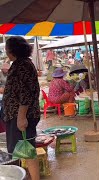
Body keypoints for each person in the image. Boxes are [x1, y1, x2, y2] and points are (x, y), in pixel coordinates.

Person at [3, 36, 40, 180]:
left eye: (7, 49)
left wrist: (21, 117)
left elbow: (25, 93)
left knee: (27, 150)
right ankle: (24, 176)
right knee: (20, 150)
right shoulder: (21, 63)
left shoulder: (22, 65)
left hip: (22, 116)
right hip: (18, 114)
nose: (6, 52)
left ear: (13, 50)